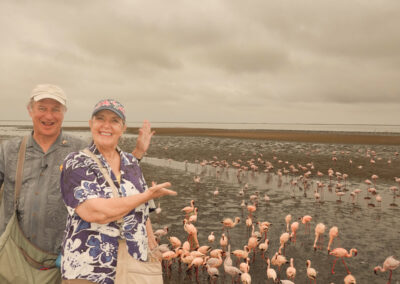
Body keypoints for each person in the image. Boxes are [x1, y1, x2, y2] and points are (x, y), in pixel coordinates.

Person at [60, 99, 176, 283]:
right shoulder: (76, 162)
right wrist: (145, 196)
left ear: (123, 128)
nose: (106, 125)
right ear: (91, 124)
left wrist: (152, 246)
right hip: (89, 268)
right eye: (100, 119)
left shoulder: (131, 163)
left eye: (114, 121)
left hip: (134, 264)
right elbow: (95, 212)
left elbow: (144, 213)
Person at [0, 84, 87, 255]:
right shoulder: (8, 149)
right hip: (11, 254)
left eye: (56, 109)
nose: (48, 116)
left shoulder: (81, 151)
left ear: (64, 113)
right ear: (30, 110)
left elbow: (112, 186)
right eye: (42, 108)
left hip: (63, 258)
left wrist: (136, 155)